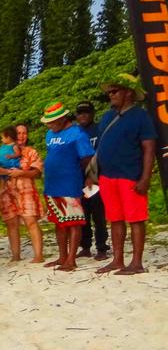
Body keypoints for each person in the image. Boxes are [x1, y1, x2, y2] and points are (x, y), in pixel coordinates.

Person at [95, 73, 157, 275]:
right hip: (107, 176)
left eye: (115, 91)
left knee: (136, 218)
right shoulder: (107, 116)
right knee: (115, 218)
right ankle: (117, 259)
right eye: (110, 92)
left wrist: (145, 177)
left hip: (130, 174)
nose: (111, 95)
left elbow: (149, 147)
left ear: (128, 93)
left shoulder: (140, 116)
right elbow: (101, 146)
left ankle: (137, 262)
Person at [40, 102, 94, 272]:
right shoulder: (50, 134)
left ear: (63, 118)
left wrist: (87, 178)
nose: (49, 125)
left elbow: (87, 158)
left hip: (70, 184)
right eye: (47, 122)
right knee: (59, 222)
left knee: (73, 222)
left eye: (52, 121)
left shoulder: (77, 133)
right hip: (52, 184)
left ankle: (71, 259)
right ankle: (62, 256)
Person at [0, 123, 45, 263]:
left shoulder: (31, 152)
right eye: (19, 133)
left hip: (25, 190)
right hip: (6, 191)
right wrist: (7, 172)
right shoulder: (3, 150)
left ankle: (38, 255)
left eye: (24, 133)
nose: (21, 136)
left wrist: (22, 173)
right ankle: (15, 255)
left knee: (30, 221)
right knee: (11, 223)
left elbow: (37, 172)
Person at [76, 101, 110, 260]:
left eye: (86, 112)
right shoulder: (74, 132)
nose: (83, 115)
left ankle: (102, 248)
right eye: (80, 113)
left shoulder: (99, 130)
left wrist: (93, 176)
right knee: (83, 214)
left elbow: (102, 153)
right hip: (78, 179)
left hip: (95, 177)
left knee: (98, 214)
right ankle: (86, 246)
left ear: (92, 114)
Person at [0, 126, 23, 192]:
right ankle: (2, 188)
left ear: (8, 137)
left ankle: (14, 187)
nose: (1, 140)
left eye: (2, 138)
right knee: (2, 177)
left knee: (12, 177)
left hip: (10, 166)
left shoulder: (14, 146)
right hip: (1, 165)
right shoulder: (3, 146)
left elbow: (18, 154)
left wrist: (11, 156)